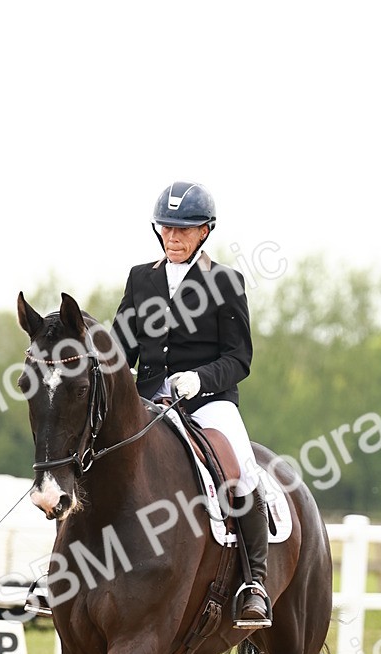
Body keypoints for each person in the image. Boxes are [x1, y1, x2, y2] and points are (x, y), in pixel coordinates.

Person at [111, 180, 271, 627]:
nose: (174, 238)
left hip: (208, 402)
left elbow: (240, 358)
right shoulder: (141, 279)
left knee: (239, 468)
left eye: (184, 230)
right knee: (95, 462)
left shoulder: (225, 282)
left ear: (205, 232)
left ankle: (254, 582)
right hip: (148, 400)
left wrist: (198, 380)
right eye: (167, 229)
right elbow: (122, 350)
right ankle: (62, 574)